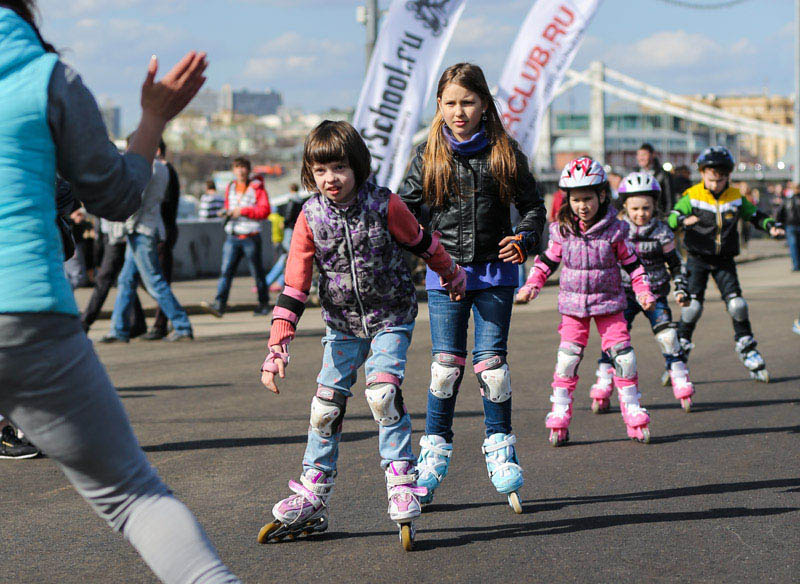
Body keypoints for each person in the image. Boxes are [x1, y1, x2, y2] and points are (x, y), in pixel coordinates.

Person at [0, 3, 239, 582]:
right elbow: (113, 194)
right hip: (26, 307)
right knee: (133, 498)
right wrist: (153, 118)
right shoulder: (44, 75)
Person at [256, 120, 465, 550]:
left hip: (391, 315)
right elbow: (295, 284)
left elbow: (422, 242)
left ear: (357, 166)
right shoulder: (309, 216)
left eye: (339, 168)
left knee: (382, 395)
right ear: (309, 174)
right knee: (324, 408)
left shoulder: (383, 204)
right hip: (342, 324)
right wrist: (277, 346)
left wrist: (450, 272)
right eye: (320, 171)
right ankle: (314, 493)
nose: (330, 179)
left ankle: (402, 480)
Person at [398, 63, 546, 512]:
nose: (459, 112)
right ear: (439, 107)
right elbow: (402, 212)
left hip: (496, 277)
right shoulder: (427, 155)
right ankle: (432, 455)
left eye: (468, 102)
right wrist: (421, 249)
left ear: (484, 104)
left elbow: (534, 208)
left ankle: (501, 449)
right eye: (450, 103)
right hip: (446, 276)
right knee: (445, 368)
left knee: (492, 368)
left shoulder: (505, 152)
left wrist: (523, 239)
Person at [517, 158, 655, 446]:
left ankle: (632, 411)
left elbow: (634, 266)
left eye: (588, 198)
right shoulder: (562, 230)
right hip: (573, 307)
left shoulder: (615, 230)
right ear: (568, 200)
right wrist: (532, 285)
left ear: (601, 196)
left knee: (624, 357)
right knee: (567, 360)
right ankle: (560, 413)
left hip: (609, 304)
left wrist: (643, 291)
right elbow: (546, 261)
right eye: (576, 199)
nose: (582, 205)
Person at [669, 147, 784, 383]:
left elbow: (756, 215)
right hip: (697, 258)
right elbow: (671, 217)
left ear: (727, 177)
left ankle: (747, 348)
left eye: (721, 179)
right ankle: (678, 356)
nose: (716, 183)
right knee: (692, 308)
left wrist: (771, 226)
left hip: (724, 260)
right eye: (711, 178)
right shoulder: (692, 196)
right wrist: (682, 220)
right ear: (702, 174)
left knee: (737, 305)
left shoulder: (735, 197)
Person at [591, 172, 695, 413]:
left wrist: (681, 287)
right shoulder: (616, 231)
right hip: (622, 295)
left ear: (654, 206)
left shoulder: (662, 232)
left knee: (668, 337)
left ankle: (681, 381)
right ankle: (603, 384)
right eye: (635, 208)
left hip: (655, 293)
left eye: (646, 208)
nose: (641, 214)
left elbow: (676, 263)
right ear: (625, 206)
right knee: (613, 343)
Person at [102, 146, 193, 343]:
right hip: (146, 229)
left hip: (140, 231)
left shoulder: (148, 168)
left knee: (154, 282)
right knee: (126, 281)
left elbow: (136, 200)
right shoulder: (161, 167)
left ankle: (182, 324)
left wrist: (123, 226)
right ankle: (118, 330)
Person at [201, 157, 271, 317]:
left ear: (248, 170)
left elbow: (265, 210)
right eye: (237, 167)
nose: (240, 171)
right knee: (226, 271)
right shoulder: (231, 186)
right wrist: (226, 212)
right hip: (233, 234)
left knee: (257, 272)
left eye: (243, 167)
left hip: (250, 235)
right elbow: (228, 205)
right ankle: (219, 305)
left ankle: (263, 303)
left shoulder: (257, 188)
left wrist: (243, 211)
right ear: (233, 170)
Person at [142, 140, 181, 340]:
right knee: (147, 279)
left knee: (159, 280)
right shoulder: (166, 170)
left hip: (162, 232)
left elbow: (162, 204)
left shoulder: (163, 171)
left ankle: (164, 323)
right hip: (162, 230)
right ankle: (145, 322)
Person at [81, 217, 147, 335]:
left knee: (104, 280)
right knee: (126, 281)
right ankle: (138, 322)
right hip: (110, 235)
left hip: (117, 236)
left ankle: (85, 322)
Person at [264, 183, 304, 292]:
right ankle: (275, 282)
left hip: (290, 230)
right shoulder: (301, 201)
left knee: (287, 257)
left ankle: (271, 283)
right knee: (288, 258)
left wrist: (285, 223)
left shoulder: (291, 200)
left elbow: (289, 214)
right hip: (297, 230)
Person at [635, 142, 675, 216]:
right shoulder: (634, 174)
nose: (641, 158)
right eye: (639, 155)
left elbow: (669, 199)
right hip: (639, 215)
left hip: (658, 216)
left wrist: (666, 217)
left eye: (644, 155)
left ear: (653, 155)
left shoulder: (663, 175)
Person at [775, 183, 800, 271]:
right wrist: (779, 225)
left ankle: (796, 265)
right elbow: (780, 213)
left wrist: (779, 224)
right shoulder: (787, 200)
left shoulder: (787, 200)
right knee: (793, 246)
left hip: (791, 225)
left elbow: (779, 213)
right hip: (791, 225)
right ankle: (796, 265)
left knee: (794, 246)